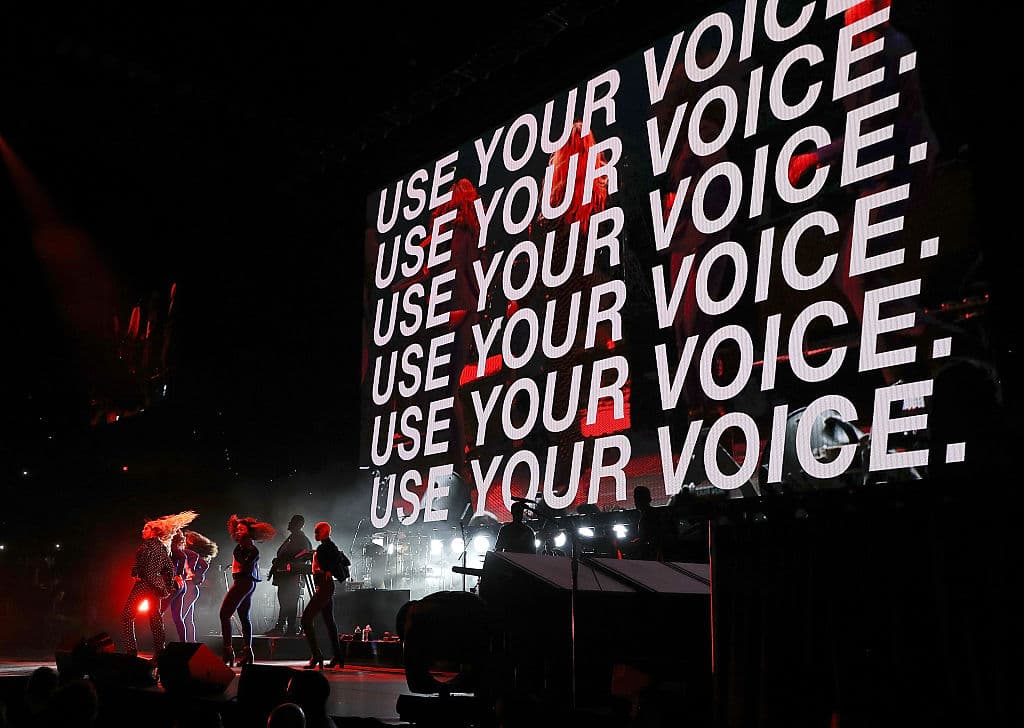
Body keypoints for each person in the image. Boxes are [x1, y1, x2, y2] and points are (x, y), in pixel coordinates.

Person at [121, 510, 197, 656]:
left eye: (146, 528)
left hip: (145, 585)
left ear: (154, 532)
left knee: (127, 615)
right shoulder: (161, 548)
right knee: (155, 619)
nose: (143, 530)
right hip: (153, 586)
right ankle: (160, 651)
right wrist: (165, 586)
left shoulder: (151, 547)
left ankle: (132, 650)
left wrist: (142, 576)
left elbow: (150, 570)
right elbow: (168, 568)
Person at [220, 514, 275, 666]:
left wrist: (243, 552)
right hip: (246, 583)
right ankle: (248, 653)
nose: (238, 531)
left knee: (224, 614)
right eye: (237, 529)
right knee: (244, 617)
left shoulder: (248, 546)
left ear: (248, 531)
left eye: (241, 529)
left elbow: (248, 562)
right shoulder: (244, 545)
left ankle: (228, 652)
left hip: (243, 583)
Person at [300, 521, 350, 671]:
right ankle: (338, 656)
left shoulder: (326, 547)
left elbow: (337, 558)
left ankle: (317, 655)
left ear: (326, 533)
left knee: (306, 619)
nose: (315, 534)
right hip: (323, 586)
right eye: (314, 531)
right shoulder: (324, 547)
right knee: (329, 622)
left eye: (318, 532)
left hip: (325, 586)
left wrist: (329, 569)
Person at [265, 514, 313, 637]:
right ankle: (283, 627)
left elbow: (303, 556)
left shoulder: (301, 539)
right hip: (286, 575)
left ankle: (289, 627)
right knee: (285, 602)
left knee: (289, 602)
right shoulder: (293, 538)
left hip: (292, 576)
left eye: (292, 522)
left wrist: (285, 562)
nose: (289, 524)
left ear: (298, 524)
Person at [178, 530, 218, 642]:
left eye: (187, 539)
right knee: (188, 620)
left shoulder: (195, 558)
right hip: (189, 589)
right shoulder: (190, 556)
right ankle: (191, 643)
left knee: (180, 618)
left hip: (189, 590)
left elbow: (201, 573)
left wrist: (196, 575)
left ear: (191, 543)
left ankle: (183, 643)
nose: (184, 540)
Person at [630, 486, 678, 561]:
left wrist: (640, 542)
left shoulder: (652, 514)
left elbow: (653, 536)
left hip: (653, 555)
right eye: (636, 498)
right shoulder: (645, 515)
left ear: (647, 499)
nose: (636, 501)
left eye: (639, 498)